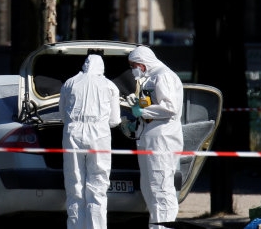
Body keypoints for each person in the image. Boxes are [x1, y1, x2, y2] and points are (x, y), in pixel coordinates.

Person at [59, 54, 121, 229]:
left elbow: (63, 115)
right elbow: (115, 120)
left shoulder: (69, 83)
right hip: (100, 135)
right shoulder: (109, 85)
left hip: (72, 133)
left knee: (74, 185)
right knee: (98, 187)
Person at [127, 46, 184, 229]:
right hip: (150, 138)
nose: (133, 69)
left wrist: (142, 111)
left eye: (134, 65)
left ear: (142, 63)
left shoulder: (163, 76)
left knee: (161, 186)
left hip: (162, 139)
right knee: (150, 187)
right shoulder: (149, 78)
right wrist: (137, 111)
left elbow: (170, 107)